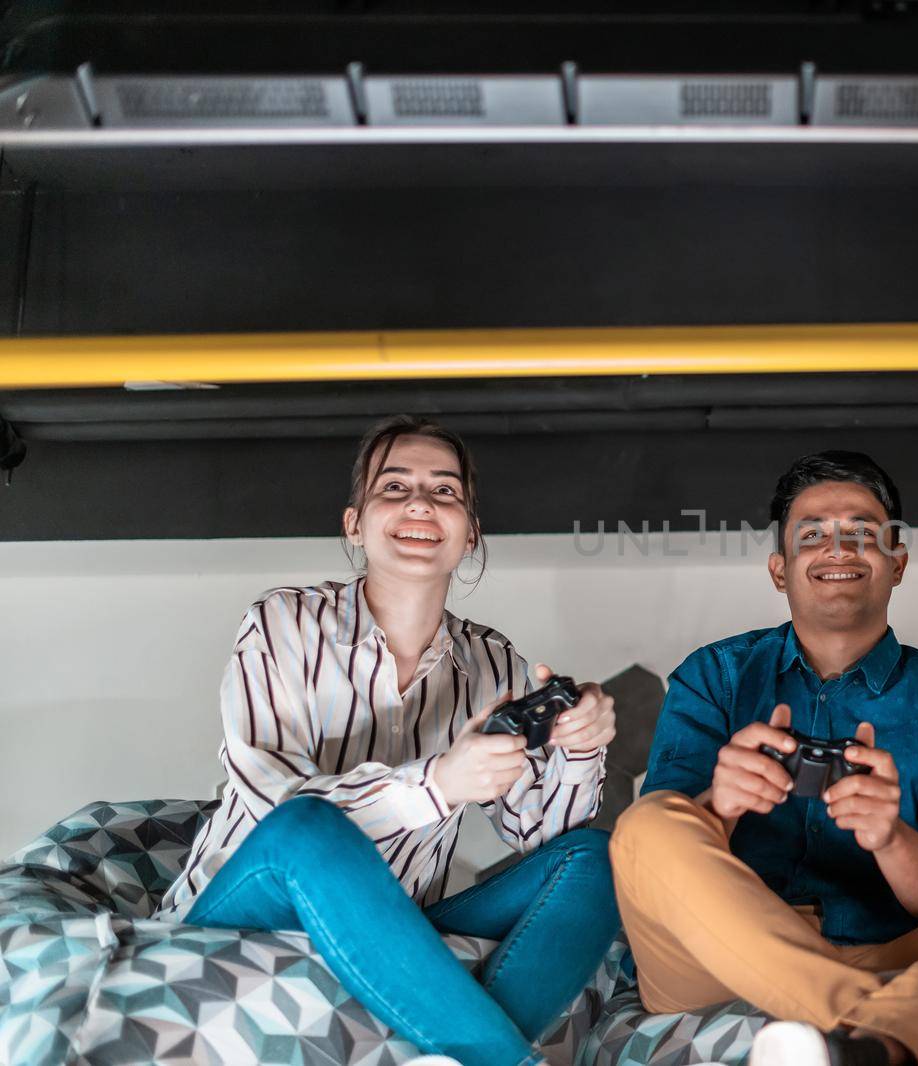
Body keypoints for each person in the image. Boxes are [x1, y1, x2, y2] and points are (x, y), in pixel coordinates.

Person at [609, 451, 918, 1066]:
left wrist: (889, 837)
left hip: (900, 950)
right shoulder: (714, 677)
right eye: (812, 534)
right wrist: (722, 805)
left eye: (863, 534)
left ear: (897, 563)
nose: (838, 550)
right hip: (718, 958)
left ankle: (862, 1046)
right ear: (779, 569)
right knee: (647, 825)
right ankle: (893, 1033)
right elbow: (661, 864)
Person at [156, 415, 619, 1066]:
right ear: (354, 523)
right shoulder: (280, 622)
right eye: (394, 487)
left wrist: (579, 746)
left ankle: (454, 1054)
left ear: (470, 534)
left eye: (446, 491)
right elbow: (272, 803)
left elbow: (540, 834)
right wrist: (438, 786)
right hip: (252, 901)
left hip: (398, 922)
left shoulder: (493, 663)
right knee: (308, 828)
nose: (421, 503)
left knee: (594, 859)